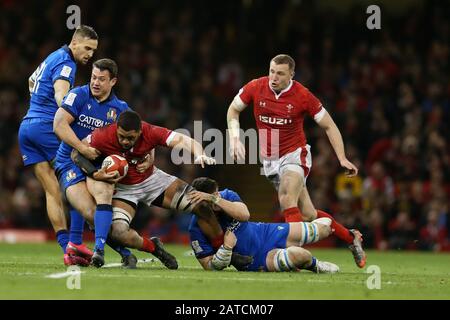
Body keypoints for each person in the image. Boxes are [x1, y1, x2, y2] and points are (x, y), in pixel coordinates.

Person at [226, 54, 366, 268]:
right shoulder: (256, 86)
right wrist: (235, 139)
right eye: (272, 71)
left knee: (286, 197)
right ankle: (351, 238)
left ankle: (295, 256)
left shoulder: (302, 95)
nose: (274, 77)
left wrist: (342, 158)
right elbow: (233, 110)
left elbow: (329, 125)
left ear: (291, 74)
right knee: (309, 214)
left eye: (280, 73)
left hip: (294, 155)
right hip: (270, 161)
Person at [72, 110, 225, 268]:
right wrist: (95, 173)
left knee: (202, 206)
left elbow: (182, 139)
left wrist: (199, 154)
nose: (125, 141)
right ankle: (154, 248)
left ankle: (223, 251)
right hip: (123, 190)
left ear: (140, 132)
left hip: (152, 180)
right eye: (121, 136)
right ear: (116, 128)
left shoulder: (150, 131)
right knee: (119, 233)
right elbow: (76, 153)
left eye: (130, 138)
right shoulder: (103, 135)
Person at [18, 25, 98, 265]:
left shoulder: (52, 56)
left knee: (51, 190)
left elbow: (31, 81)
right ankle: (76, 242)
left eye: (93, 51)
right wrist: (70, 110)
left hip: (27, 128)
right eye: (87, 48)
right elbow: (60, 94)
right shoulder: (66, 63)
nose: (90, 55)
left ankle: (67, 249)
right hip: (46, 127)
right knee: (76, 179)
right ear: (74, 43)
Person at [53, 58, 137, 267]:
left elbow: (137, 138)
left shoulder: (120, 109)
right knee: (89, 212)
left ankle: (98, 250)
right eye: (93, 77)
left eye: (101, 79)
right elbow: (59, 124)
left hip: (96, 165)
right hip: (69, 162)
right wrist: (82, 148)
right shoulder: (78, 95)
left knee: (104, 198)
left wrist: (145, 158)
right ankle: (124, 251)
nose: (95, 82)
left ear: (113, 82)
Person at [188, 177, 339, 273]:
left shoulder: (226, 195)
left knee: (325, 226)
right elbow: (208, 265)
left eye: (216, 193)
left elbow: (244, 215)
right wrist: (226, 249)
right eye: (212, 196)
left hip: (265, 231)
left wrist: (214, 199)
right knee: (301, 255)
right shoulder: (196, 227)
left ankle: (290, 259)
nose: (218, 196)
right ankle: (315, 266)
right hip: (257, 258)